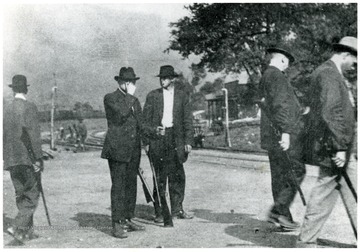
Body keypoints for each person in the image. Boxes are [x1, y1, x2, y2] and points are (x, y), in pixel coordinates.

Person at [297, 36, 357, 247]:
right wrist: (340, 146)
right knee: (326, 192)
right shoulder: (329, 74)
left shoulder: (330, 73)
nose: (356, 66)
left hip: (338, 146)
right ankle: (305, 242)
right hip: (335, 147)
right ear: (346, 54)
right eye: (355, 60)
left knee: (346, 194)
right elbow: (330, 111)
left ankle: (305, 241)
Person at [259, 46, 306, 230]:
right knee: (297, 170)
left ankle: (283, 217)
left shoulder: (265, 76)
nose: (288, 67)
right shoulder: (277, 76)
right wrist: (286, 132)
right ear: (283, 60)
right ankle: (278, 211)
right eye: (287, 63)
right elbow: (280, 105)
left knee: (279, 176)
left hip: (272, 135)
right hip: (281, 134)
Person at [143, 65, 194, 227]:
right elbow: (144, 122)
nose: (162, 80)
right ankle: (159, 212)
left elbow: (187, 121)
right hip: (158, 139)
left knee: (178, 175)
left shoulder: (182, 96)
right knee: (159, 176)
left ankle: (177, 209)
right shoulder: (152, 96)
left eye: (165, 78)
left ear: (172, 79)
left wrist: (188, 141)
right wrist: (149, 138)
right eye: (160, 78)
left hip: (176, 140)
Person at [101, 67, 145, 239]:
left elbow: (140, 123)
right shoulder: (111, 98)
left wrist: (153, 133)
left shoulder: (133, 100)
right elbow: (120, 114)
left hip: (133, 149)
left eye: (133, 81)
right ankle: (117, 224)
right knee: (119, 187)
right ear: (120, 82)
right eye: (128, 81)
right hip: (117, 150)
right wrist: (130, 96)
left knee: (131, 185)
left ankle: (128, 218)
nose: (131, 84)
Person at [3, 75, 44, 242]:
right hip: (27, 159)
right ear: (26, 89)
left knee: (21, 195)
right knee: (32, 195)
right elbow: (33, 134)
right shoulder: (29, 107)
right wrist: (38, 158)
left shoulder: (5, 108)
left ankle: (26, 233)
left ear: (13, 89)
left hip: (11, 159)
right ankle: (17, 226)